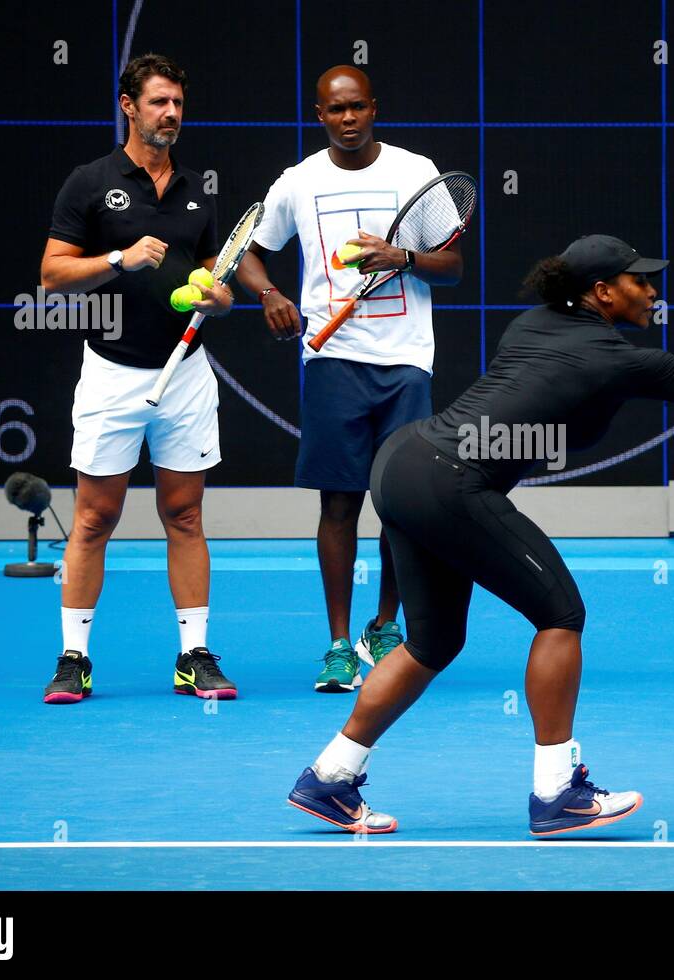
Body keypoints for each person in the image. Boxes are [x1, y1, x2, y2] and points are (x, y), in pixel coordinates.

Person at [286, 234, 674, 835]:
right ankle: (557, 792)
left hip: (403, 463)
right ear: (602, 292)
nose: (653, 291)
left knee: (433, 641)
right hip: (449, 480)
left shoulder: (531, 324)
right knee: (560, 614)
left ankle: (331, 776)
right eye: (640, 281)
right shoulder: (622, 360)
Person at [235, 66, 463, 692]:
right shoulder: (299, 182)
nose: (348, 119)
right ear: (319, 115)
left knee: (402, 507)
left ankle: (384, 627)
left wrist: (404, 257)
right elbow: (246, 252)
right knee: (338, 502)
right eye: (335, 111)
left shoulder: (417, 173)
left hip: (407, 362)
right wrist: (270, 295)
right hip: (331, 362)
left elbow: (452, 266)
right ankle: (338, 646)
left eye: (357, 107)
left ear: (373, 109)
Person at [39, 53, 237, 704]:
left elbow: (218, 275)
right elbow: (53, 274)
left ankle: (194, 655)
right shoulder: (90, 183)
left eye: (178, 103)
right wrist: (119, 257)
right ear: (129, 106)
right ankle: (74, 658)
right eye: (159, 102)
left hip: (184, 373)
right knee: (94, 518)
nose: (172, 113)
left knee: (184, 514)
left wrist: (218, 298)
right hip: (112, 373)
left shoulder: (195, 190)